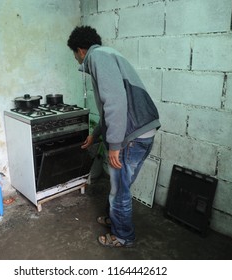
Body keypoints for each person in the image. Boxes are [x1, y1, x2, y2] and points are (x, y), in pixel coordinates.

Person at [67, 26, 161, 247]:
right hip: (143, 132)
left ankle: (122, 236)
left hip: (131, 138)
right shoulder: (109, 54)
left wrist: (115, 146)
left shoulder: (98, 58)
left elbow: (115, 104)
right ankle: (116, 219)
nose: (75, 58)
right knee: (121, 188)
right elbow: (112, 108)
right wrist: (96, 135)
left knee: (119, 192)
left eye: (74, 54)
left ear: (80, 50)